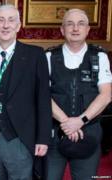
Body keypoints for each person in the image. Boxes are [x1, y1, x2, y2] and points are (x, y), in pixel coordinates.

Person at [0, 4, 52, 180]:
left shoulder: (35, 55)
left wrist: (42, 138)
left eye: (11, 20)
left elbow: (43, 99)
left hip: (20, 138)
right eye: (0, 20)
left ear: (18, 26)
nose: (5, 25)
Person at [46, 9, 112, 180]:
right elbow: (42, 95)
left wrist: (80, 121)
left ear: (87, 30)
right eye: (70, 23)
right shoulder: (49, 56)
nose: (75, 28)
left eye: (80, 23)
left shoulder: (99, 56)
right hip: (54, 133)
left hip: (89, 132)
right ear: (62, 30)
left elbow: (106, 96)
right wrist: (67, 123)